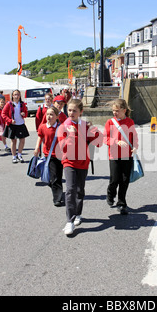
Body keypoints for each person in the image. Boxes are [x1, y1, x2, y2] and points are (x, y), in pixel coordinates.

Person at [57, 99, 103, 236]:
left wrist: (92, 128)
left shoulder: (85, 125)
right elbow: (62, 147)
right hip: (69, 162)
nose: (71, 113)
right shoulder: (63, 126)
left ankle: (78, 213)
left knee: (79, 189)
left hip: (83, 162)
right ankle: (69, 221)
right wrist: (71, 134)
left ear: (80, 112)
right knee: (70, 189)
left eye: (74, 110)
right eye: (69, 110)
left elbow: (99, 142)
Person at [104, 99, 139, 214]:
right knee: (114, 180)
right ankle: (110, 194)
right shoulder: (110, 122)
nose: (115, 113)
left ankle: (121, 203)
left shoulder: (130, 122)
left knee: (124, 180)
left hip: (127, 155)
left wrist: (135, 146)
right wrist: (116, 141)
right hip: (114, 155)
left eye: (117, 111)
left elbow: (134, 137)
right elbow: (105, 138)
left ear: (124, 110)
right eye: (113, 110)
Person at [34, 106, 64, 207]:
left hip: (59, 156)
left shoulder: (60, 127)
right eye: (47, 114)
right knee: (50, 178)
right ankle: (57, 195)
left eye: (51, 114)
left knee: (57, 177)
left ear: (56, 116)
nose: (49, 116)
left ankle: (58, 195)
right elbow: (40, 137)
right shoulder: (42, 127)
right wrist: (37, 148)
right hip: (48, 155)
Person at [2, 89, 30, 164]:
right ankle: (14, 156)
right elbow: (3, 114)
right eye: (15, 95)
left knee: (22, 140)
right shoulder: (9, 104)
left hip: (21, 124)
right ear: (12, 96)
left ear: (20, 96)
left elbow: (26, 113)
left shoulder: (22, 104)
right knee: (13, 141)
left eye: (18, 94)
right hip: (12, 125)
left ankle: (19, 154)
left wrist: (24, 114)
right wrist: (10, 120)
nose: (16, 96)